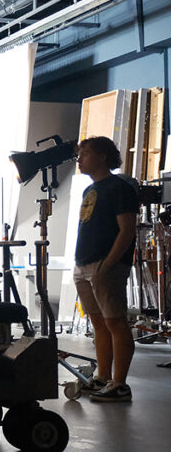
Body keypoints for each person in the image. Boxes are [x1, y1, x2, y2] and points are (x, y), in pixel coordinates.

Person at [73, 136, 139, 402]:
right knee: (98, 322)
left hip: (106, 264)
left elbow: (127, 230)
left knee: (115, 322)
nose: (79, 159)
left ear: (102, 156)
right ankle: (102, 376)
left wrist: (109, 263)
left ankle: (120, 384)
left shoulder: (119, 187)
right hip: (84, 262)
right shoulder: (89, 190)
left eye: (85, 154)